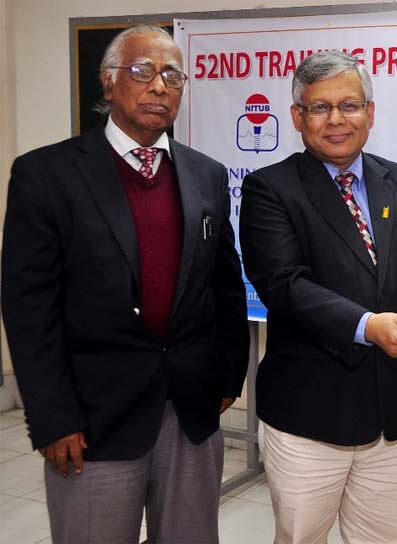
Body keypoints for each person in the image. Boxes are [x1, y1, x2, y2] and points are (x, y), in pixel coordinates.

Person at [1, 24, 250, 544]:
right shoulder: (46, 175)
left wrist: (229, 376)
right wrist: (51, 416)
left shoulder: (206, 175)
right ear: (109, 82)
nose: (159, 86)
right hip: (91, 422)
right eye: (143, 72)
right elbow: (29, 310)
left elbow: (224, 288)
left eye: (173, 76)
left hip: (189, 414)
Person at [239, 50, 397, 544]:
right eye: (320, 108)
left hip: (392, 416)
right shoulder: (270, 188)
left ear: (370, 112)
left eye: (349, 105)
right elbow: (284, 285)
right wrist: (369, 326)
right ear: (298, 117)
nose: (336, 119)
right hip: (309, 417)